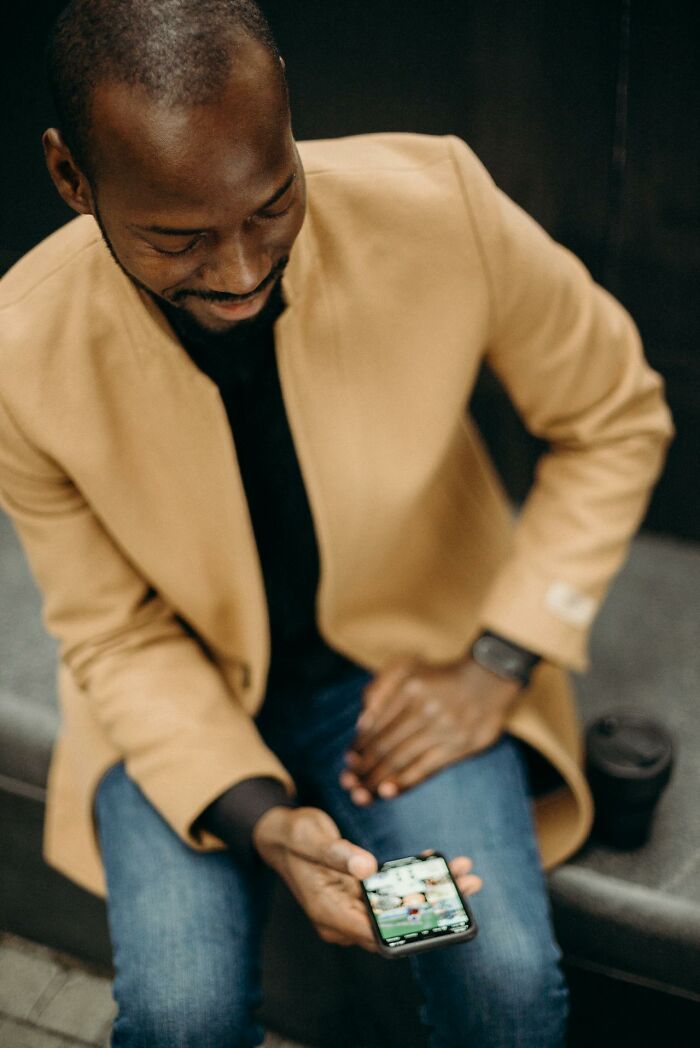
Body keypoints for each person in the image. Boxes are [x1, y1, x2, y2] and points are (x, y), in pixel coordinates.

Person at [0, 1, 674, 1045]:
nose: (238, 273)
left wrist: (501, 655)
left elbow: (614, 416)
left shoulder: (437, 201)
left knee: (493, 979)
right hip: (181, 715)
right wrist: (264, 825)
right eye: (177, 238)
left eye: (272, 206)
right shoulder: (18, 352)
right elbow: (113, 633)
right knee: (182, 1015)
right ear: (69, 179)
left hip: (408, 683)